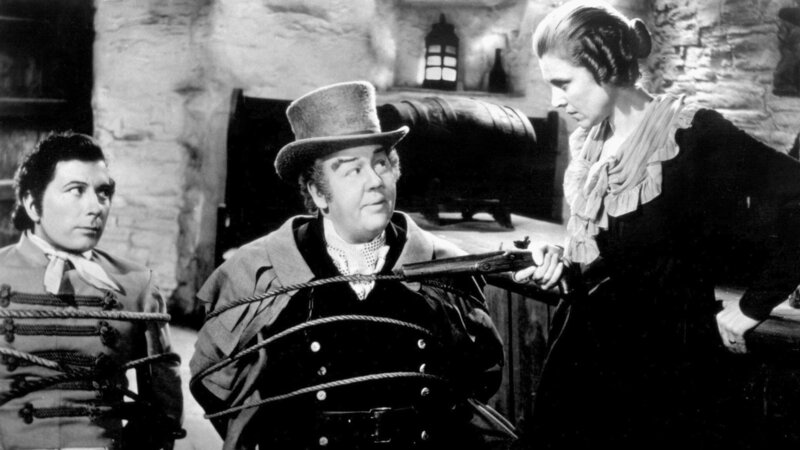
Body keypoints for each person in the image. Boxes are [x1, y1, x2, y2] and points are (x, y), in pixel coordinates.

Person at [512, 1, 800, 448]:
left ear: (604, 67)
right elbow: (614, 256)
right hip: (587, 360)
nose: (555, 101)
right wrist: (561, 260)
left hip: (666, 368)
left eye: (563, 83)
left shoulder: (694, 134)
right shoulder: (592, 143)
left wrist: (753, 306)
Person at [189, 81, 514, 450]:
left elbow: (482, 373)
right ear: (318, 193)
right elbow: (212, 382)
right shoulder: (259, 272)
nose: (375, 181)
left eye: (381, 163)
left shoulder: (444, 266)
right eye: (352, 170)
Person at [0, 132, 184, 449]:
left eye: (103, 192)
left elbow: (164, 411)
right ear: (32, 204)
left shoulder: (136, 285)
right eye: (76, 190)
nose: (95, 207)